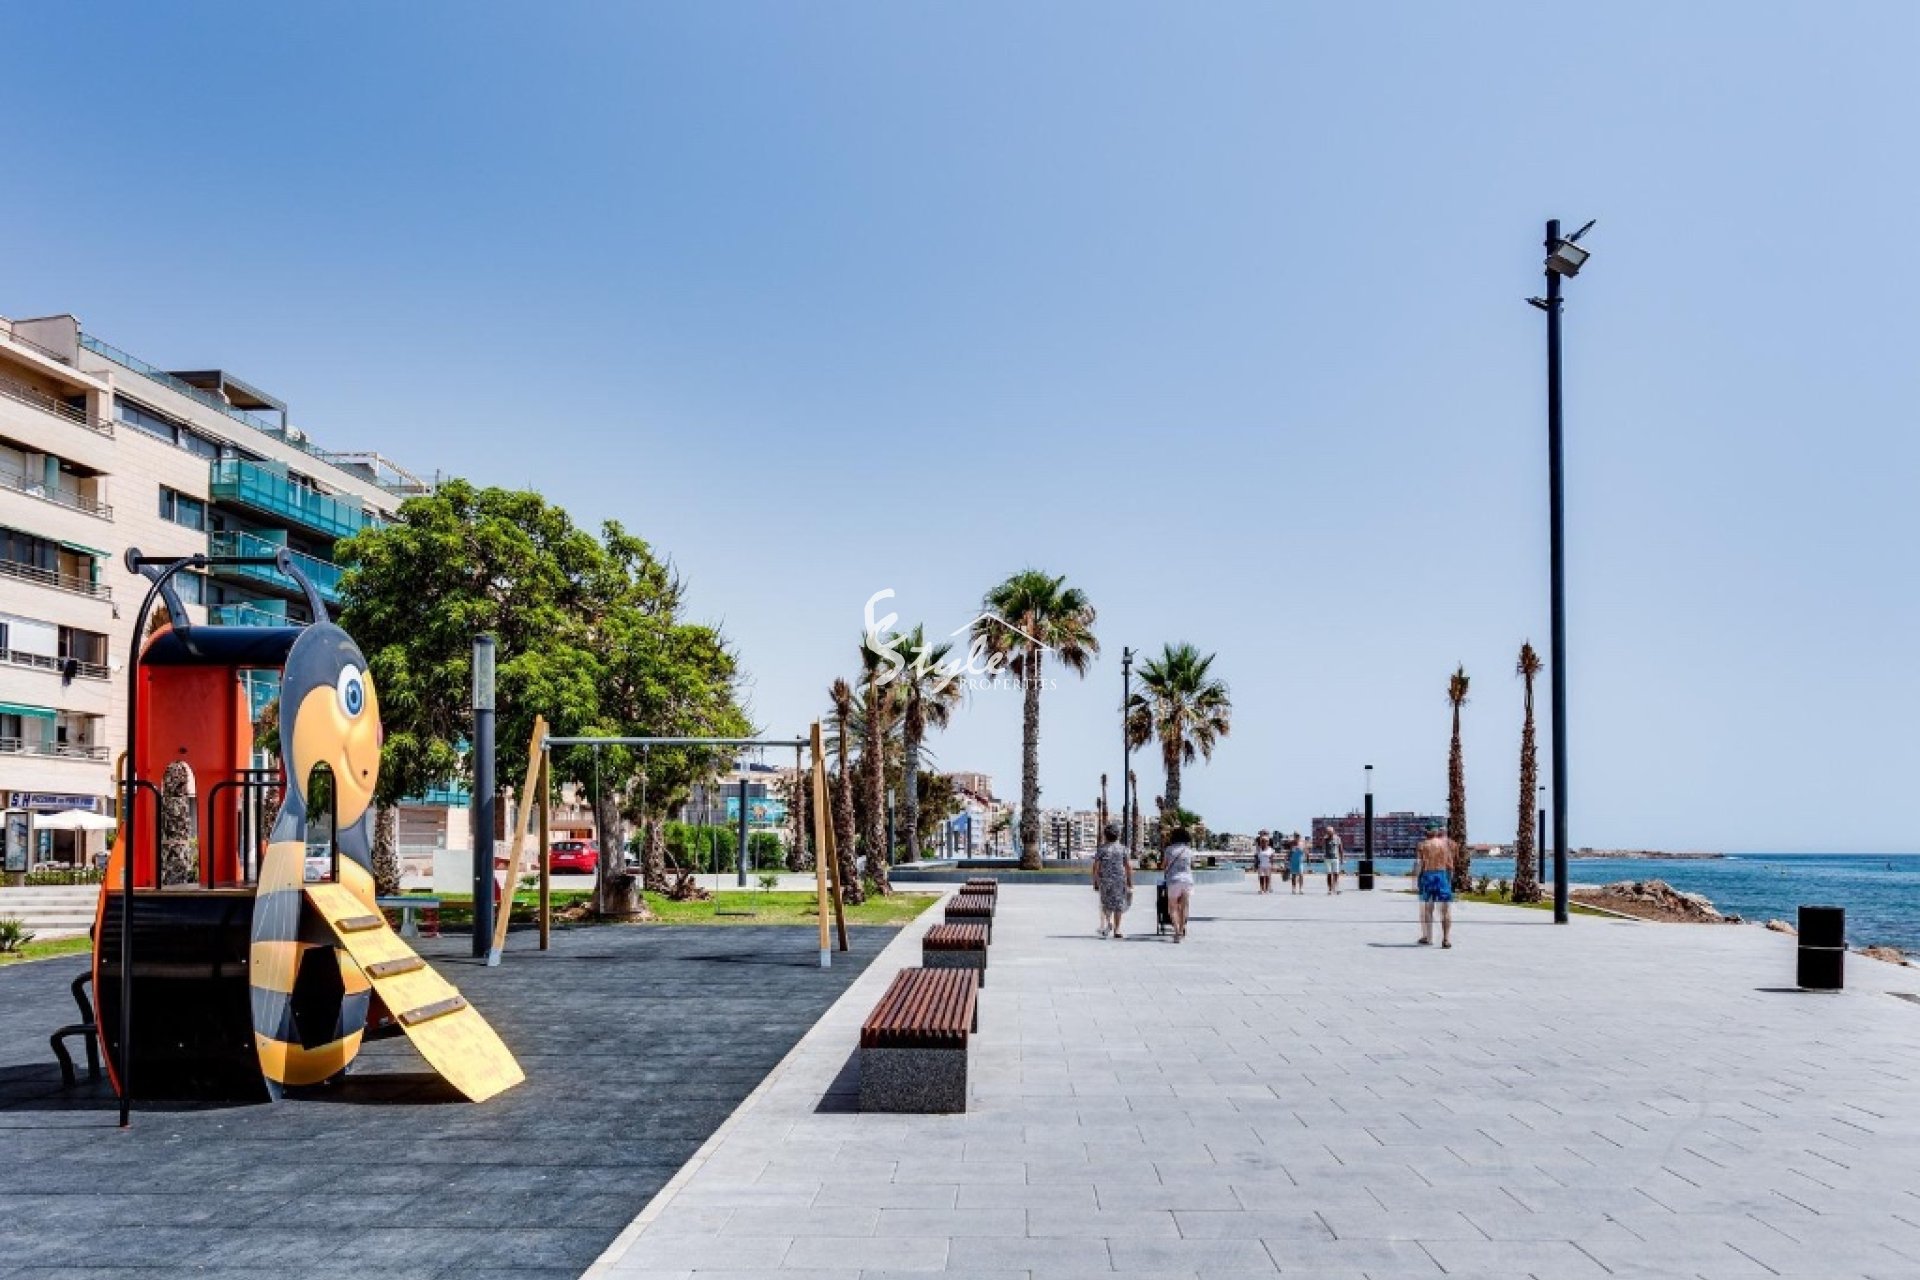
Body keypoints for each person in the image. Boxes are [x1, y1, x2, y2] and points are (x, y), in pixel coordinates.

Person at [1091, 820, 1133, 939]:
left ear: (1105, 835)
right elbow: (1128, 866)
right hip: (1120, 880)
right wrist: (1130, 881)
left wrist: (1095, 881)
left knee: (1106, 903)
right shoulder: (1123, 849)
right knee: (1118, 904)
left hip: (1105, 880)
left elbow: (1096, 866)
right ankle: (1117, 929)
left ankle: (1109, 923)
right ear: (1118, 835)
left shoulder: (1102, 849)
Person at [1415, 822, 1454, 947]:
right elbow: (1450, 866)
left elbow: (1419, 864)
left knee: (1428, 909)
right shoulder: (1445, 845)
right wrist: (1449, 880)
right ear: (1437, 832)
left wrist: (1417, 879)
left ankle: (1428, 937)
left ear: (1426, 832)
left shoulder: (1422, 845)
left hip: (1428, 876)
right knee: (1445, 910)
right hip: (1442, 876)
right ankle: (1446, 939)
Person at [1161, 826, 1196, 942]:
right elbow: (1192, 865)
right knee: (1184, 907)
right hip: (1187, 881)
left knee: (1173, 907)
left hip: (1173, 880)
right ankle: (1182, 929)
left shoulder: (1169, 850)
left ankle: (1176, 931)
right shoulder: (1189, 851)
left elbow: (1164, 865)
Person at [1323, 825, 1344, 894]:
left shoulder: (1338, 838)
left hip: (1336, 858)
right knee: (1329, 874)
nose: (1329, 833)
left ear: (1333, 831)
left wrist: (1342, 858)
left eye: (1330, 832)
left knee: (1336, 873)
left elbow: (1341, 849)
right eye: (1328, 832)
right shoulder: (1325, 839)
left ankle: (1335, 888)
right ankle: (1330, 889)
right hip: (1328, 858)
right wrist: (1326, 837)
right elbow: (1322, 846)